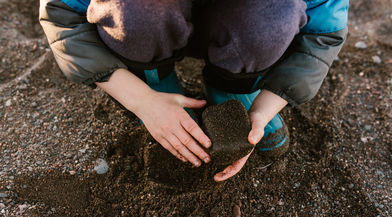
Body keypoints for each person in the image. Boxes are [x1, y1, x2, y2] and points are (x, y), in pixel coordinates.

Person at [39, 0, 348, 181]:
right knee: (132, 9)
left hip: (238, 26)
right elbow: (61, 16)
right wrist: (143, 101)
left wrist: (265, 108)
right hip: (151, 22)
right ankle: (156, 83)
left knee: (273, 14)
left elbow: (324, 33)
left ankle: (233, 90)